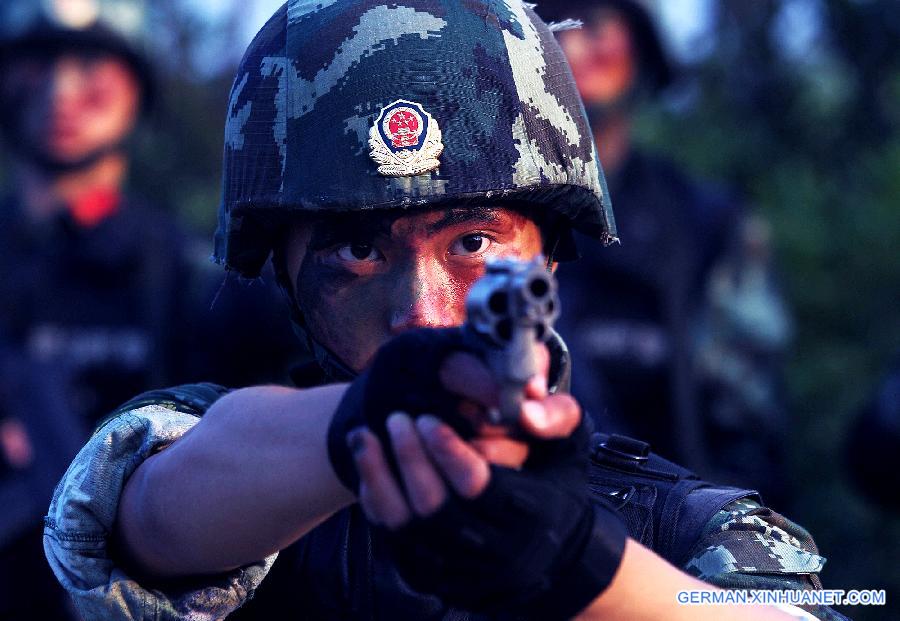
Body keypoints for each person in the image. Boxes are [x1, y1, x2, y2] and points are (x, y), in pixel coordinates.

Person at [43, 2, 845, 620]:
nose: (421, 312)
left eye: (472, 242)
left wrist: (584, 567)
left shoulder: (684, 529)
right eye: (358, 253)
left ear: (550, 252)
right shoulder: (235, 476)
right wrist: (363, 426)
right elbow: (137, 509)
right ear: (281, 268)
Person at [0, 1, 295, 617]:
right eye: (39, 63)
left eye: (90, 64)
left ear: (136, 86)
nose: (61, 90)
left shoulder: (194, 279)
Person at [535, 0, 792, 500]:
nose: (572, 44)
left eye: (595, 23)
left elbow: (748, 432)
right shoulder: (479, 222)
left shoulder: (706, 224)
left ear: (641, 42)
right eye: (551, 24)